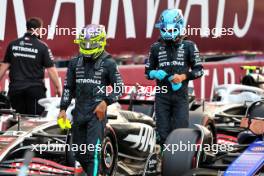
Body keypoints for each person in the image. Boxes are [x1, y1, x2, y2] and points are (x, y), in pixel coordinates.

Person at [58, 24, 123, 176]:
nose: (87, 47)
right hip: (79, 112)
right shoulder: (74, 63)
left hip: (97, 114)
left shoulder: (109, 63)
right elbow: (68, 88)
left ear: (100, 42)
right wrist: (62, 109)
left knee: (93, 152)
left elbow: (120, 88)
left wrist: (105, 102)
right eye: (84, 43)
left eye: (91, 44)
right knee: (79, 153)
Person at [145, 9, 204, 146]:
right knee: (162, 133)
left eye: (171, 30)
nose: (167, 33)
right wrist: (154, 73)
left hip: (181, 96)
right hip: (162, 96)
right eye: (165, 29)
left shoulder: (189, 46)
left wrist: (183, 76)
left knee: (180, 133)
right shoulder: (155, 47)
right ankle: (163, 161)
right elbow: (147, 71)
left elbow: (199, 70)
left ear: (180, 27)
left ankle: (179, 162)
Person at [0, 17, 61, 115]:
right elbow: (51, 69)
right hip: (35, 90)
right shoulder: (42, 46)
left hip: (16, 90)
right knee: (35, 122)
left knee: (17, 123)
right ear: (38, 29)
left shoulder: (13, 44)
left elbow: (3, 66)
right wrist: (58, 88)